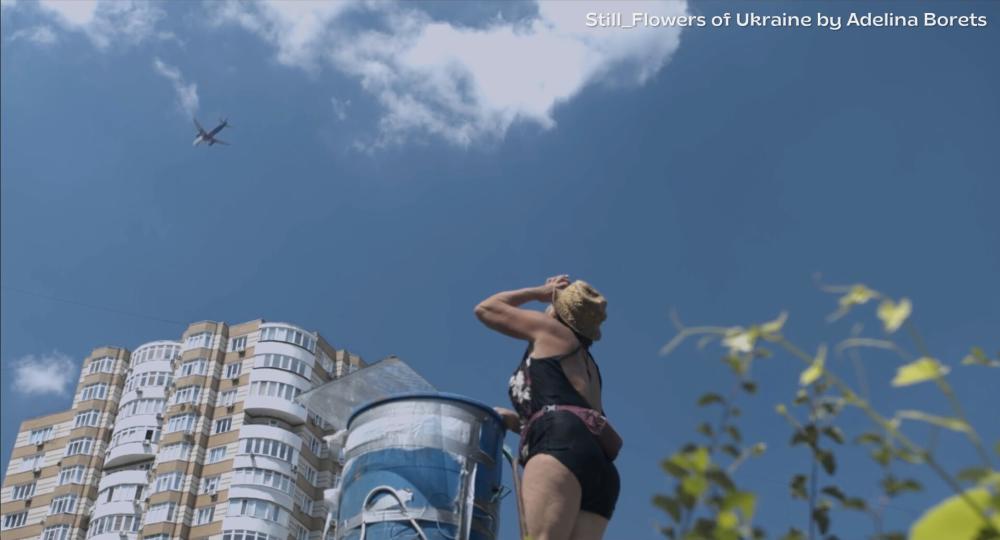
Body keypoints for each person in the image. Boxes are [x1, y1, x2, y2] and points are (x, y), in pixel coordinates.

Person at [474, 275, 621, 540]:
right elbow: (575, 421)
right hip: (600, 469)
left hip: (561, 446)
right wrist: (520, 425)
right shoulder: (589, 366)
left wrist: (542, 291)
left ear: (558, 311)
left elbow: (486, 308)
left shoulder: (551, 331)